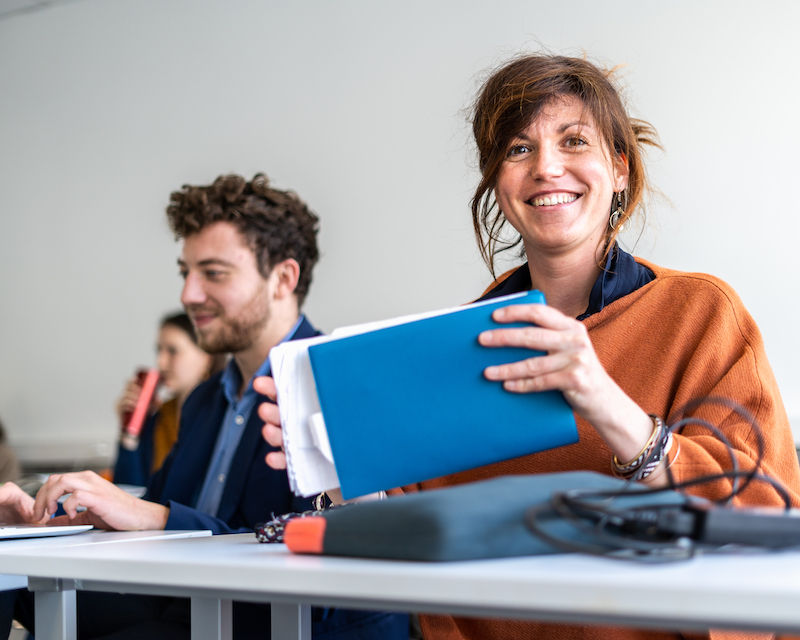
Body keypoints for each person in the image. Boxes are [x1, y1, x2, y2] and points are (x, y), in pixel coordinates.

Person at [258, 54, 800, 640]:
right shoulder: (458, 343)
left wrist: (603, 401)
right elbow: (409, 540)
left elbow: (761, 522)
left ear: (619, 168)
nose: (546, 167)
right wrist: (337, 466)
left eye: (573, 141)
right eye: (519, 149)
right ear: (497, 181)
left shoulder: (701, 313)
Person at [0, 173, 407, 640]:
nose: (188, 294)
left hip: (280, 624)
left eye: (213, 273)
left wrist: (157, 517)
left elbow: (315, 543)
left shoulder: (338, 386)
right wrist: (37, 524)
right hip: (186, 609)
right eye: (185, 273)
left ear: (283, 278)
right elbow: (145, 516)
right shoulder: (206, 401)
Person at [113, 312, 226, 486]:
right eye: (159, 350)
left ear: (207, 357)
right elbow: (129, 495)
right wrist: (130, 433)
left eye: (173, 351)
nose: (161, 362)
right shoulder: (159, 418)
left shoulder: (225, 417)